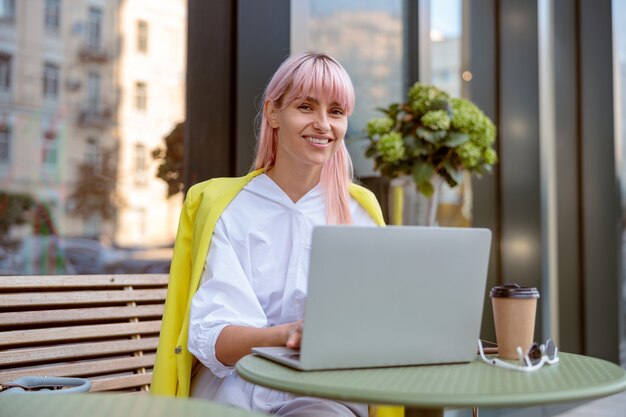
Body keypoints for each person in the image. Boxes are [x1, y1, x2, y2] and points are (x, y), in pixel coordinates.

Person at [150, 52, 385, 416]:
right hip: (238, 393)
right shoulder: (224, 207)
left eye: (336, 112)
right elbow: (217, 341)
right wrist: (284, 336)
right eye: (306, 107)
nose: (323, 124)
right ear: (273, 113)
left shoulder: (360, 211)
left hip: (323, 393)